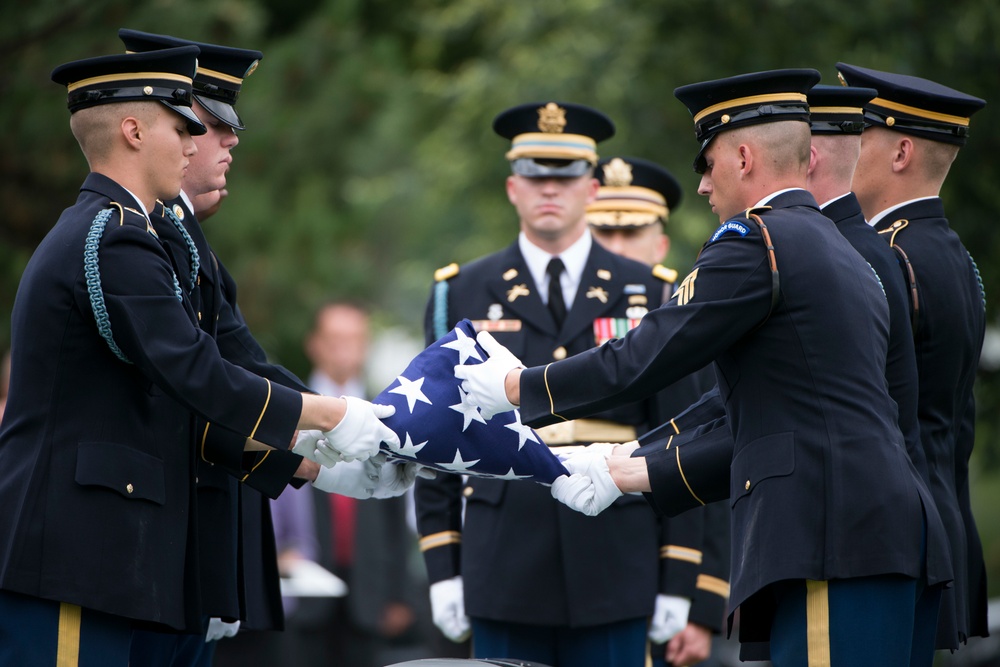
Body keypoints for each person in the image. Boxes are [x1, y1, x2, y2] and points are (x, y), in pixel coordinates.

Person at [456, 70, 952, 667]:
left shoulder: (755, 242)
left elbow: (646, 354)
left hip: (834, 539)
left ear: (743, 158)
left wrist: (518, 386)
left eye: (707, 162)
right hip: (865, 532)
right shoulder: (830, 244)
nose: (701, 186)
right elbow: (750, 417)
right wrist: (629, 463)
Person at [0, 46, 398, 667]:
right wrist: (332, 419)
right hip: (70, 553)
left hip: (105, 555)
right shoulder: (112, 237)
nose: (195, 143)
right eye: (181, 125)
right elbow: (195, 372)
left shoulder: (142, 235)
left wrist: (325, 457)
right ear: (133, 131)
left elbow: (212, 382)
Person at [415, 101, 714, 667]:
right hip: (501, 557)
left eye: (566, 175)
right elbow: (435, 434)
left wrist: (679, 574)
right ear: (511, 187)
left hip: (616, 553)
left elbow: (680, 430)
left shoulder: (651, 290)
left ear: (592, 187)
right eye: (534, 175)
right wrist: (442, 568)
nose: (549, 189)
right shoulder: (462, 291)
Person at [836, 62, 989, 651]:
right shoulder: (953, 256)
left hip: (891, 536)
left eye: (857, 134)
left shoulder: (885, 258)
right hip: (940, 521)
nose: (843, 149)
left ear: (901, 151)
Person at [587, 155, 731, 667]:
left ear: (661, 244)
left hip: (654, 561)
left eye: (632, 233)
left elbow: (709, 454)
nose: (617, 247)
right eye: (603, 231)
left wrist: (701, 597)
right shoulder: (561, 323)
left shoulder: (685, 316)